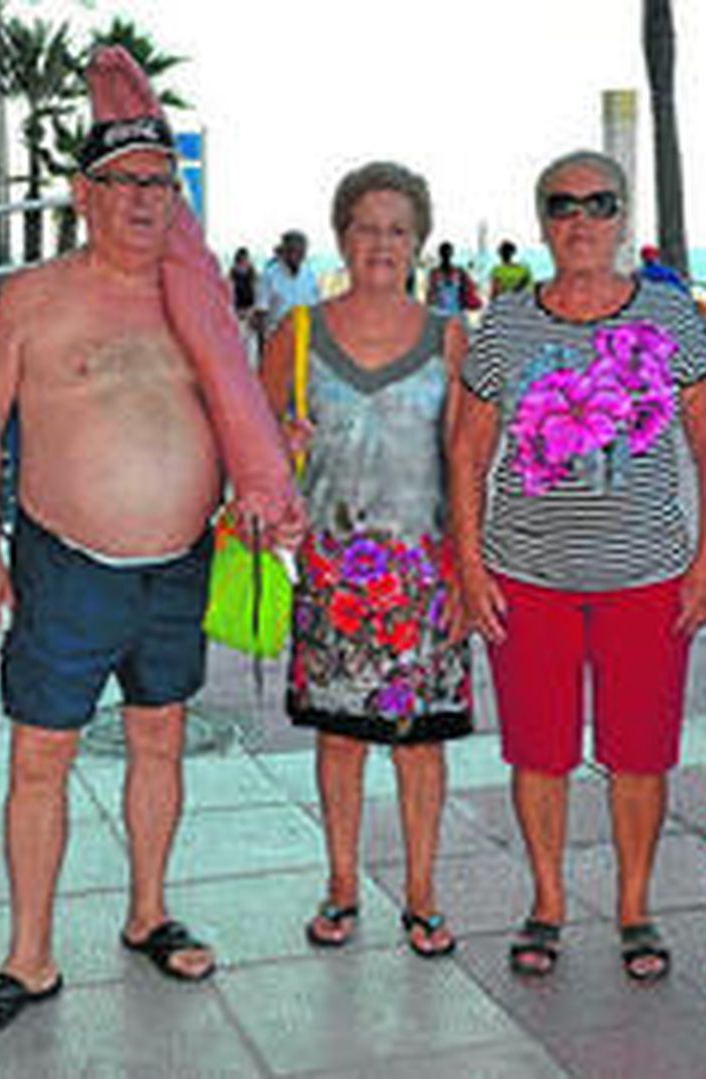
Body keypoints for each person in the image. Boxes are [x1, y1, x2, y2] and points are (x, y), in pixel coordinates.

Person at [0, 47, 300, 1039]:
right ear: (83, 192)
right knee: (40, 759)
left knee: (159, 733)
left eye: (161, 183)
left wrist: (268, 467)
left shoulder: (197, 298)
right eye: (126, 183)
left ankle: (148, 908)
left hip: (178, 564)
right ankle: (29, 951)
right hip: (66, 565)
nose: (146, 200)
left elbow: (235, 415)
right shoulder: (33, 298)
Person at [450, 149, 706, 982]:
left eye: (598, 204)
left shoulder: (669, 318)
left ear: (622, 217)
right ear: (541, 222)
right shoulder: (505, 324)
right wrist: (469, 567)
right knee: (539, 753)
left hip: (646, 579)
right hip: (527, 578)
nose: (580, 220)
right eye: (562, 205)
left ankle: (637, 907)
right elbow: (467, 450)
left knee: (639, 754)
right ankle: (547, 902)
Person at [260, 161, 473, 959]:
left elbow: (469, 461)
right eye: (366, 226)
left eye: (397, 228)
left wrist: (465, 568)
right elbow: (255, 439)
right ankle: (342, 886)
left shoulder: (451, 336)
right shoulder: (299, 331)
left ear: (418, 239)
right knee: (340, 740)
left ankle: (422, 894)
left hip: (426, 574)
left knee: (422, 743)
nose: (381, 242)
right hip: (333, 574)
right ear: (341, 234)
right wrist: (282, 445)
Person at [254, 229, 320, 339]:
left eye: (301, 252)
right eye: (292, 251)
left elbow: (315, 307)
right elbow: (261, 312)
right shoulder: (269, 276)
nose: (296, 256)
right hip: (276, 337)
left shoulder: (309, 275)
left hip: (302, 338)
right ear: (284, 251)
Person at [425, 241, 480, 315]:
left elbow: (470, 287)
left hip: (455, 313)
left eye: (448, 252)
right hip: (441, 313)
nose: (446, 254)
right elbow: (430, 295)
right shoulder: (435, 273)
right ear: (440, 254)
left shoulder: (459, 272)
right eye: (445, 252)